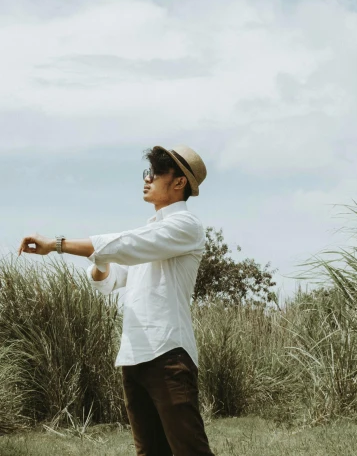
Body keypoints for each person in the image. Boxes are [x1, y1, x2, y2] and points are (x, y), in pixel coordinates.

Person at [18, 144, 215, 456]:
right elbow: (108, 279)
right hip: (134, 357)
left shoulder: (185, 226)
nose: (147, 178)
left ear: (179, 182)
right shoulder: (151, 232)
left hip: (168, 354)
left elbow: (127, 246)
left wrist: (57, 244)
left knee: (190, 450)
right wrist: (101, 259)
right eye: (146, 171)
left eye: (157, 172)